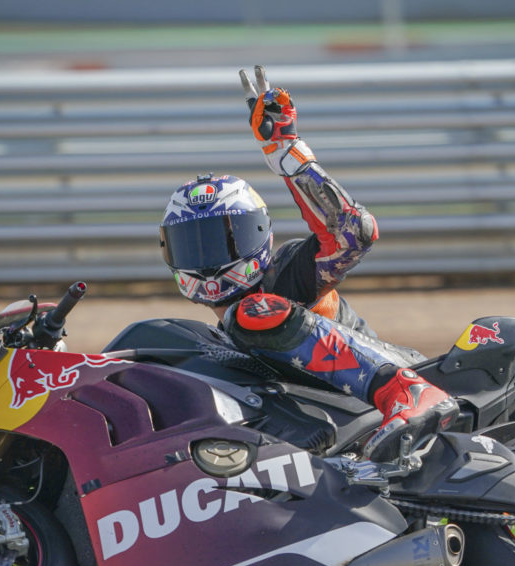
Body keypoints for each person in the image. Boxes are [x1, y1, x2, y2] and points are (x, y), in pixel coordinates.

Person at [158, 66, 457, 463]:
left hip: (402, 378)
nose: (211, 259)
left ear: (259, 233)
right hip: (342, 427)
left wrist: (289, 155)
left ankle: (404, 390)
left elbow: (354, 232)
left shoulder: (286, 273)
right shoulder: (218, 335)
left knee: (250, 315)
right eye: (193, 245)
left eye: (228, 238)